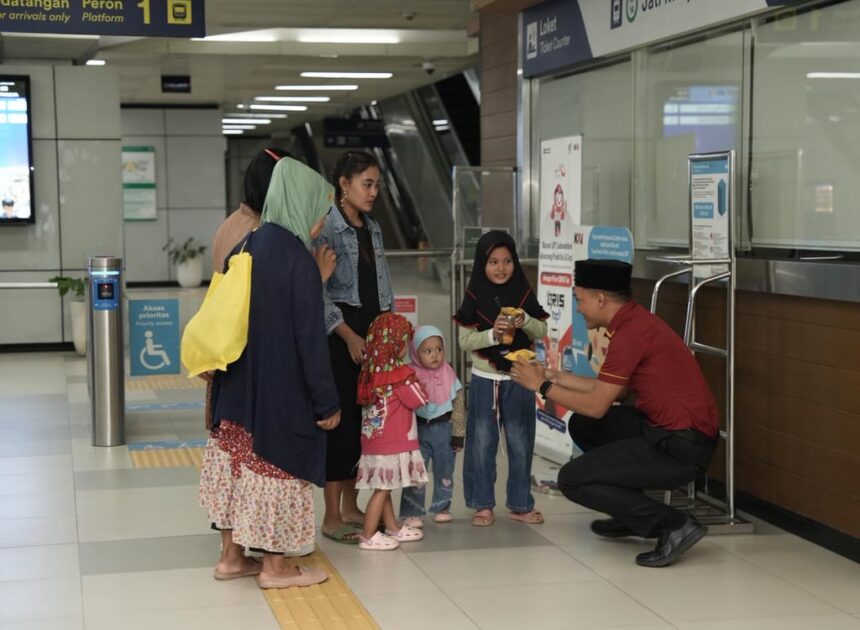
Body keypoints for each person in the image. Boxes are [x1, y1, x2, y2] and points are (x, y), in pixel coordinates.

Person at [510, 258, 719, 568]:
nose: (578, 308)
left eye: (580, 299)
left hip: (682, 446)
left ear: (601, 299)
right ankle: (631, 514)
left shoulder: (631, 335)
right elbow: (615, 391)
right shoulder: (632, 324)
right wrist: (553, 375)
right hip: (671, 431)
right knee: (584, 426)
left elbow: (597, 404)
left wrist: (541, 387)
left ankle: (672, 525)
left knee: (572, 480)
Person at [203, 157, 341, 589]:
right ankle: (276, 567)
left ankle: (230, 558)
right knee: (274, 470)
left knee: (238, 469)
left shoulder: (247, 246)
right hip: (278, 392)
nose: (320, 224)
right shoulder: (296, 258)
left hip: (235, 389)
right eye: (320, 212)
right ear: (299, 203)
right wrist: (326, 401)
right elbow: (309, 342)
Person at [313, 150, 393, 544]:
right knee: (340, 423)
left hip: (371, 336)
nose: (374, 191)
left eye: (377, 184)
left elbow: (382, 285)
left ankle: (350, 506)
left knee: (366, 424)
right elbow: (320, 292)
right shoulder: (327, 226)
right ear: (344, 185)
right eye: (367, 183)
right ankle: (330, 515)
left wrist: (389, 330)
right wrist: (348, 336)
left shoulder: (371, 227)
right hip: (341, 337)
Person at [454, 230, 549, 527]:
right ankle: (482, 504)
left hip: (521, 376)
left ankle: (520, 503)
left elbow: (541, 331)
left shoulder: (522, 291)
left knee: (521, 441)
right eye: (493, 261)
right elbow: (464, 341)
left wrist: (526, 320)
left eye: (507, 260)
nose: (501, 268)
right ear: (483, 263)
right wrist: (492, 334)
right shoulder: (473, 295)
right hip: (485, 378)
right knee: (483, 442)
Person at [354, 312, 429, 550]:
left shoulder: (370, 371)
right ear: (397, 344)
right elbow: (418, 400)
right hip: (394, 440)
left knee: (383, 487)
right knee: (382, 489)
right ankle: (368, 535)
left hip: (373, 442)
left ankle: (393, 528)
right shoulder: (399, 373)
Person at [398, 325, 465, 526]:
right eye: (428, 351)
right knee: (416, 472)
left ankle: (442, 506)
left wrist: (458, 434)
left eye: (439, 349)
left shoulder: (449, 372)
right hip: (417, 430)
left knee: (445, 471)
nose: (435, 355)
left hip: (444, 430)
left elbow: (459, 404)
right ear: (415, 352)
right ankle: (412, 511)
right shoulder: (409, 373)